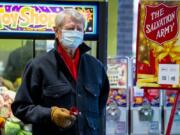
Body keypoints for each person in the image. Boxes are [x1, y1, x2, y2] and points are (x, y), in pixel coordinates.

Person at [11, 9, 110, 135]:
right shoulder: (38, 66)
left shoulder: (96, 67)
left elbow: (100, 107)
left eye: (79, 29)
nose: (75, 32)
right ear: (56, 31)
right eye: (70, 28)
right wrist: (50, 114)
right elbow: (20, 108)